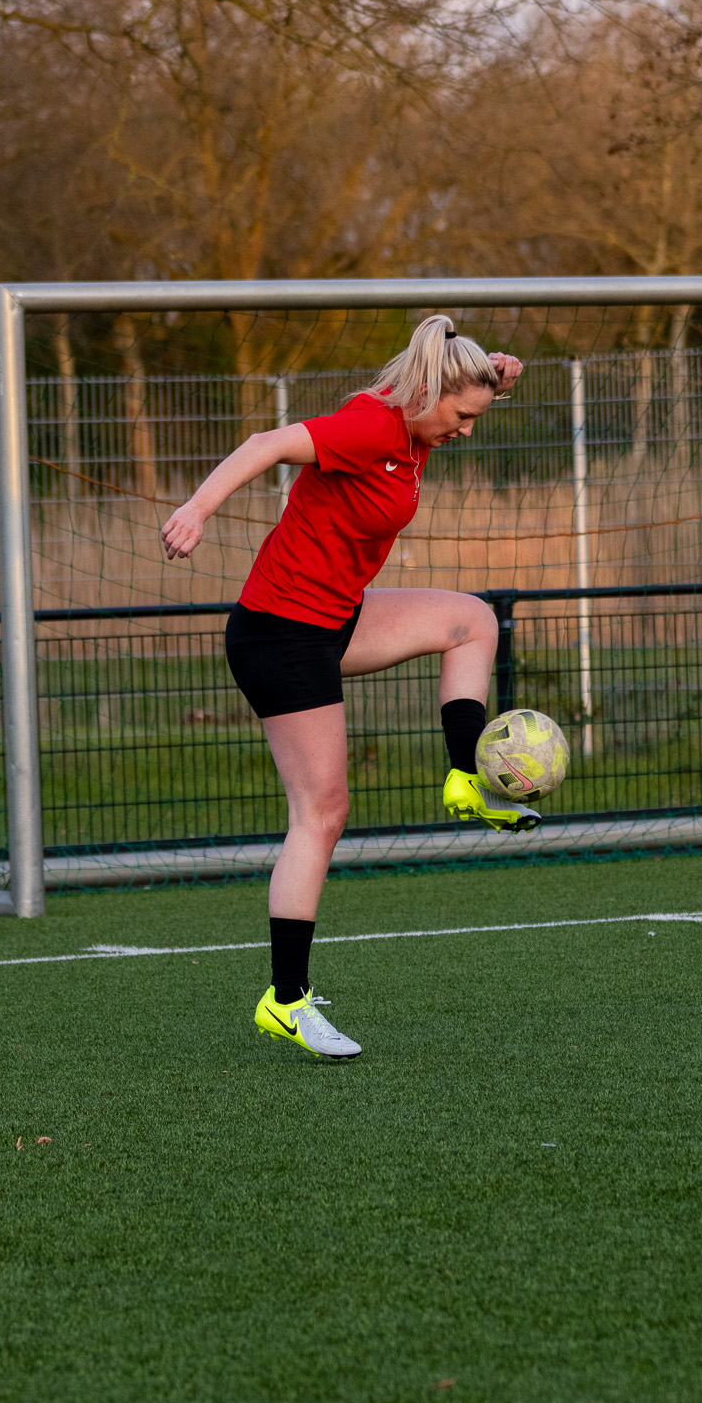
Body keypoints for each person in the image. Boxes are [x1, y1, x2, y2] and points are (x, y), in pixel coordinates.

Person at [160, 314, 529, 1062]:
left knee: (469, 620)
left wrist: (492, 376)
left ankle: (466, 778)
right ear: (428, 393)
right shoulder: (368, 427)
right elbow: (267, 446)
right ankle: (286, 1001)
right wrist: (197, 509)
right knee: (322, 812)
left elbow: (453, 391)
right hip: (279, 637)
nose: (464, 434)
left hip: (336, 620)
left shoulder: (419, 420)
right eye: (460, 418)